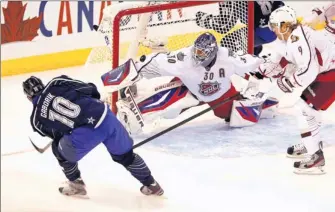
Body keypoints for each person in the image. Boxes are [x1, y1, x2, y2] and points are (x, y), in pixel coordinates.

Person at [102, 32, 275, 135]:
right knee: (171, 107)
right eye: (196, 50)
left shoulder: (227, 56)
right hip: (190, 88)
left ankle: (264, 104)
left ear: (212, 52)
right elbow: (153, 61)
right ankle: (138, 110)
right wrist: (123, 74)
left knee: (240, 118)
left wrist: (272, 67)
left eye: (202, 52)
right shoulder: (184, 59)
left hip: (222, 94)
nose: (197, 55)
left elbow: (254, 63)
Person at [23, 75, 163, 197]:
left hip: (86, 133)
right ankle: (152, 185)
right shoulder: (56, 82)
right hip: (105, 116)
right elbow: (90, 89)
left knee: (58, 150)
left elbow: (59, 134)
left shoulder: (36, 120)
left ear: (29, 97)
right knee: (126, 156)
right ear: (42, 84)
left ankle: (76, 184)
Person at [253, 5, 335, 174]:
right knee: (310, 111)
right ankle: (311, 145)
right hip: (327, 73)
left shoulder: (298, 38)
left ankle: (315, 156)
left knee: (303, 109)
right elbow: (280, 60)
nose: (274, 31)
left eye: (275, 27)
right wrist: (262, 70)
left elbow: (309, 71)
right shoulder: (290, 38)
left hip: (331, 75)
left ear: (284, 25)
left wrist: (288, 82)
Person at [195, 1, 285, 56]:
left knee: (227, 43)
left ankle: (253, 50)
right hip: (262, 30)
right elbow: (223, 24)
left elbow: (223, 25)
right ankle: (252, 50)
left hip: (263, 32)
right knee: (227, 42)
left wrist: (203, 20)